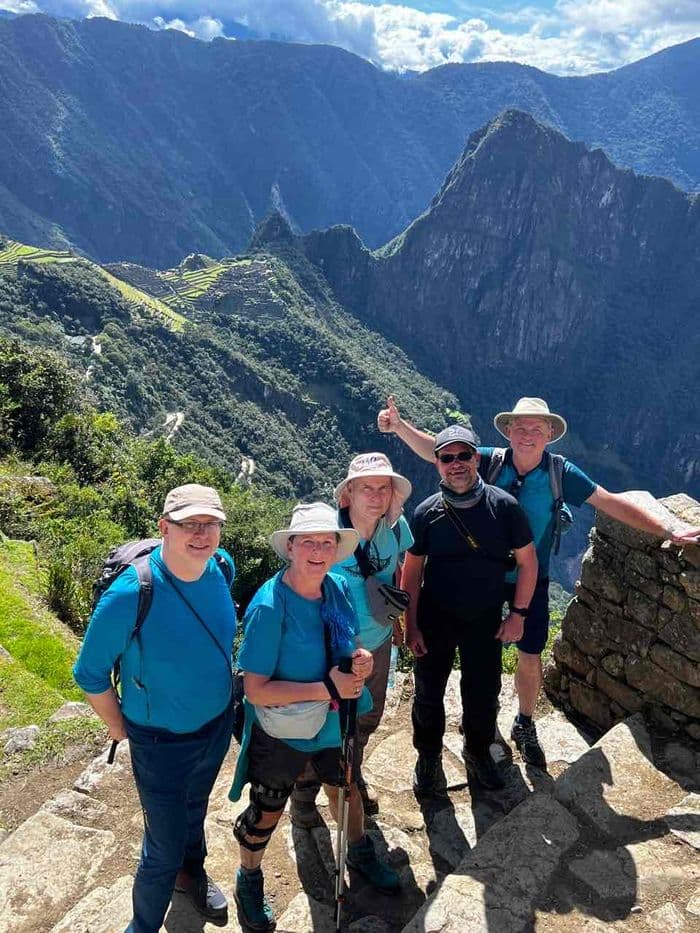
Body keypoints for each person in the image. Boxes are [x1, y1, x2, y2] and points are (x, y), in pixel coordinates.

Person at [379, 395, 700, 768]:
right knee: (478, 652)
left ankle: (524, 720)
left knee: (529, 652)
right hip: (485, 574)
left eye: (536, 428)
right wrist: (400, 427)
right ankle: (477, 728)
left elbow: (610, 502)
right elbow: (439, 450)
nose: (527, 434)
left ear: (550, 433)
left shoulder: (561, 473)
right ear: (509, 431)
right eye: (520, 427)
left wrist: (668, 527)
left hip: (531, 575)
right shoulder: (489, 460)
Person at [228, 502, 402, 933]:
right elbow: (256, 689)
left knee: (347, 789)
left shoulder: (336, 588)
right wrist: (328, 689)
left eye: (327, 542)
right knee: (268, 808)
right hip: (280, 728)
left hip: (330, 720)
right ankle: (248, 875)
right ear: (290, 547)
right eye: (309, 541)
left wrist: (357, 660)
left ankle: (359, 851)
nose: (319, 550)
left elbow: (345, 643)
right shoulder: (270, 607)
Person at [73, 484, 237, 933]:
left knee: (197, 807)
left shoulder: (221, 566)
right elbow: (89, 672)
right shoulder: (133, 593)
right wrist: (121, 728)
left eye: (211, 524)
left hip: (217, 723)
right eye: (189, 525)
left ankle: (193, 874)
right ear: (165, 527)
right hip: (161, 741)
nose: (202, 534)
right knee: (161, 848)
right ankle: (143, 925)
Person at [402, 425, 538, 793]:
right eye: (448, 457)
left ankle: (477, 750)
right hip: (435, 617)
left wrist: (519, 615)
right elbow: (412, 570)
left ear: (476, 458)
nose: (457, 464)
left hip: (485, 618)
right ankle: (428, 755)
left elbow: (528, 562)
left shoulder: (505, 508)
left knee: (483, 691)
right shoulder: (427, 513)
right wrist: (410, 624)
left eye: (464, 455)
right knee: (429, 691)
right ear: (438, 464)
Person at [291, 453, 413, 826]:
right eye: (366, 488)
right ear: (348, 494)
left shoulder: (395, 528)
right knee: (322, 722)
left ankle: (350, 775)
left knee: (366, 716)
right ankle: (304, 794)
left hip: (376, 644)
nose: (375, 496)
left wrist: (396, 620)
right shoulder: (326, 536)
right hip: (332, 647)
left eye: (383, 488)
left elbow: (397, 570)